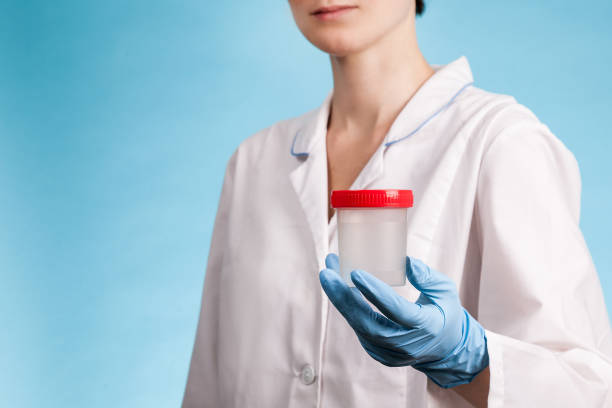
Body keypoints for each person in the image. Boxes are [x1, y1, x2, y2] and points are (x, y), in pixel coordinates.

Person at [182, 1, 612, 406]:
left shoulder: (499, 142)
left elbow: (586, 392)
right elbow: (208, 387)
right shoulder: (253, 164)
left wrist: (467, 357)